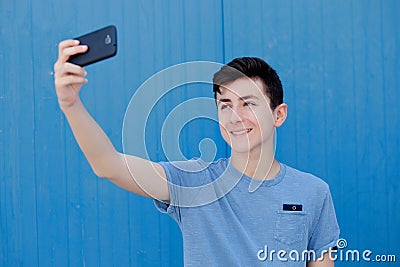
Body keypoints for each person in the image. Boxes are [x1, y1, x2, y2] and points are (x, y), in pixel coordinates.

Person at [54, 39, 340, 266]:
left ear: (278, 115)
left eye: (248, 104)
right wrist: (70, 103)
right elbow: (109, 165)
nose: (235, 117)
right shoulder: (193, 181)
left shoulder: (313, 192)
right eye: (225, 104)